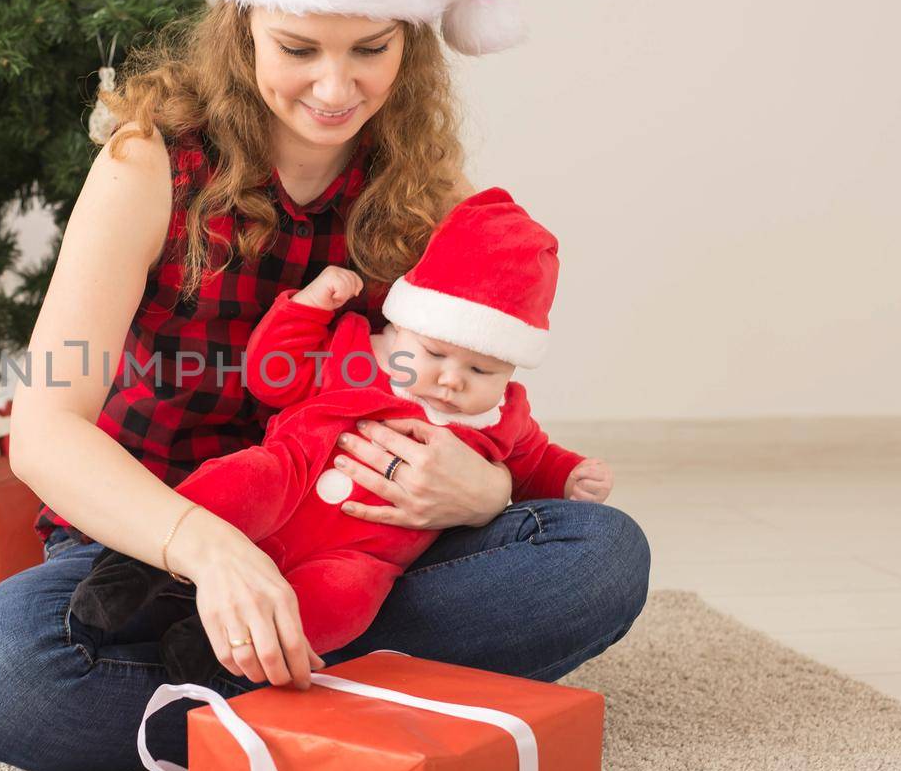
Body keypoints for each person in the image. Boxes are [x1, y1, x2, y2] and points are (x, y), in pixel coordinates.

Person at [0, 0, 651, 771]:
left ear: (412, 41)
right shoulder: (148, 165)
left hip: (350, 540)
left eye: (371, 49)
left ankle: (257, 679)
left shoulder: (423, 192)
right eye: (299, 46)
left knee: (601, 552)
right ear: (241, 25)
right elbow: (46, 423)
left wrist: (489, 492)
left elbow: (468, 399)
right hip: (154, 545)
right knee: (0, 672)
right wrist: (212, 550)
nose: (334, 85)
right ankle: (341, 688)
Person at [67, 188, 617, 686]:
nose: (452, 380)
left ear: (510, 373)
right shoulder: (356, 349)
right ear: (399, 325)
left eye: (482, 371)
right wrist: (309, 309)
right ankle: (135, 571)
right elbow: (272, 373)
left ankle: (228, 659)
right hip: (290, 481)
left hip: (362, 551)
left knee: (346, 602)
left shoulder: (502, 417)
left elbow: (534, 460)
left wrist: (567, 476)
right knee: (244, 482)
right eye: (435, 355)